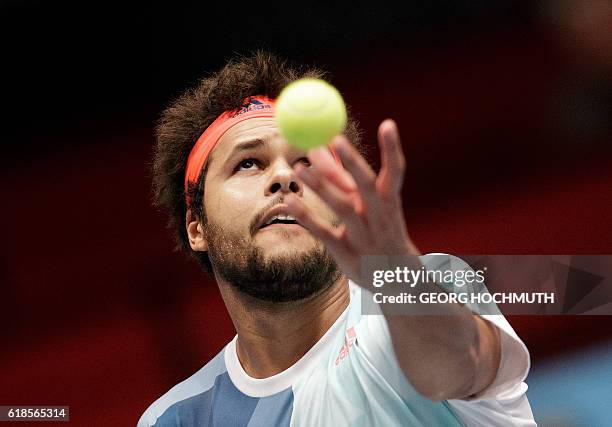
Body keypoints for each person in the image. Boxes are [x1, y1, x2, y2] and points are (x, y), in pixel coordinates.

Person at [138, 51, 536, 426]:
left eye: (305, 162)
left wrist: (395, 268)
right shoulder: (176, 418)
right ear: (196, 227)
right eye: (248, 162)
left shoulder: (420, 292)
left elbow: (461, 364)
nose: (284, 177)